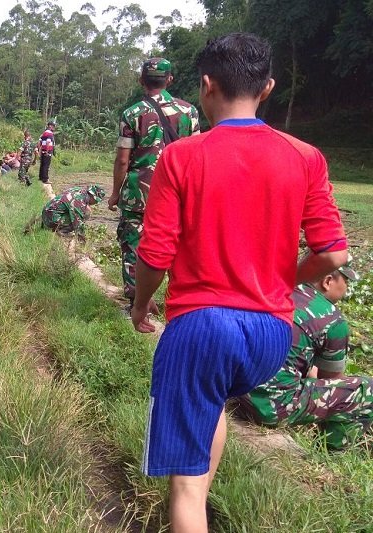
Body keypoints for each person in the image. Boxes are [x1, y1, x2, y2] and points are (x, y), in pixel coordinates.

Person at [131, 33, 348, 532]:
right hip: (272, 335)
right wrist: (284, 279)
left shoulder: (182, 156)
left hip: (202, 326)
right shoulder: (305, 155)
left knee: (184, 488)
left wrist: (142, 306)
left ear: (206, 84)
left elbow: (156, 253)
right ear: (268, 88)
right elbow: (334, 251)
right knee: (216, 399)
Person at [238, 263, 372, 450]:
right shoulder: (332, 319)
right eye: (346, 282)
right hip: (269, 408)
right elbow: (331, 380)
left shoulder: (276, 289)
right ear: (328, 281)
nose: (347, 288)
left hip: (236, 392)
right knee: (367, 391)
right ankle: (330, 453)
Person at [108, 57, 200, 309]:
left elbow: (123, 160)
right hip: (178, 193)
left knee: (133, 244)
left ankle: (137, 302)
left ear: (141, 81)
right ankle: (177, 302)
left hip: (139, 193)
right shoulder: (189, 112)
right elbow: (196, 156)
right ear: (170, 79)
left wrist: (116, 193)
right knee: (178, 246)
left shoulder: (131, 114)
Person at [41, 185, 106, 240]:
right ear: (93, 197)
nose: (96, 203)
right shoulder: (79, 202)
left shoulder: (78, 190)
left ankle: (56, 227)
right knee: (85, 214)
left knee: (80, 212)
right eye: (96, 201)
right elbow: (78, 223)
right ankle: (62, 232)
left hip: (47, 213)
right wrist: (82, 239)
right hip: (50, 219)